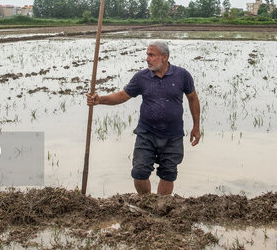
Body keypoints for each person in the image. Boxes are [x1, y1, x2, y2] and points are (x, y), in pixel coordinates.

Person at [86, 40, 201, 195]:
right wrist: (100, 100)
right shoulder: (141, 77)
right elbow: (122, 96)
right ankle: (146, 203)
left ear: (164, 57)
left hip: (173, 135)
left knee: (168, 174)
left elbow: (193, 98)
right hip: (146, 133)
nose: (147, 58)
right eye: (147, 54)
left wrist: (196, 127)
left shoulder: (182, 76)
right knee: (139, 172)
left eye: (151, 55)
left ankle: (161, 206)